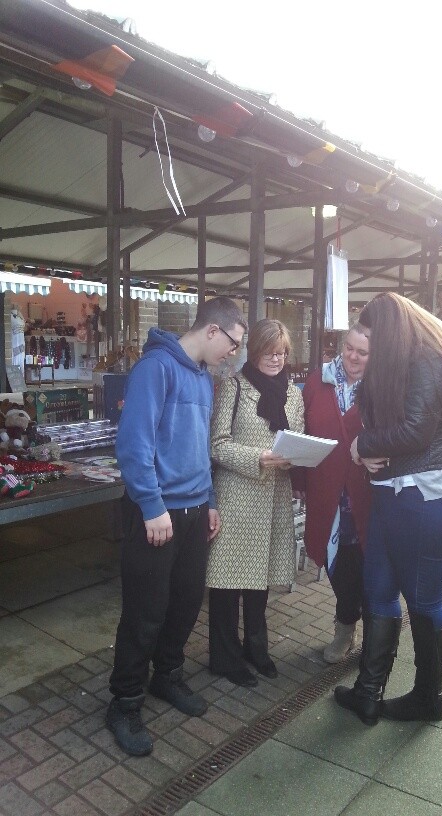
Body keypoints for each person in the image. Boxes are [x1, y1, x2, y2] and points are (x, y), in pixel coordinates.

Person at [108, 296, 247, 757]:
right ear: (212, 331)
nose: (233, 353)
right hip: (157, 514)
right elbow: (133, 443)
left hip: (192, 512)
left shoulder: (204, 379)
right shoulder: (155, 369)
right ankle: (125, 701)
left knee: (186, 602)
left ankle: (166, 676)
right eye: (233, 343)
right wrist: (151, 505)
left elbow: (200, 447)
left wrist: (208, 499)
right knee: (145, 612)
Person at [334, 293, 442, 726]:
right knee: (378, 589)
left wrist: (364, 447)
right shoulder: (420, 355)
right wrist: (373, 449)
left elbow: (415, 431)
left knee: (423, 602)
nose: (368, 348)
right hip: (399, 492)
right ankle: (368, 693)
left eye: (374, 337)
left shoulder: (428, 358)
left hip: (427, 495)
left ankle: (427, 698)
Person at [207, 319, 304, 687]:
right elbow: (217, 444)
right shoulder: (233, 387)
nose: (276, 360)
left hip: (275, 496)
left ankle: (256, 649)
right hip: (237, 495)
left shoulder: (293, 394)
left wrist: (298, 454)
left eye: (281, 353)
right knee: (228, 581)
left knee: (259, 581)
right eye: (269, 352)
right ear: (255, 351)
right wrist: (258, 458)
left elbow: (297, 438)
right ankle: (225, 658)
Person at [292, 324, 371, 663]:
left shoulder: (380, 388)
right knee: (335, 560)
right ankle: (345, 627)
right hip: (325, 489)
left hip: (365, 493)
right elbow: (300, 430)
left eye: (362, 352)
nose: (353, 356)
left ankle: (370, 631)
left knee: (365, 564)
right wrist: (298, 480)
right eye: (349, 348)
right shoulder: (317, 382)